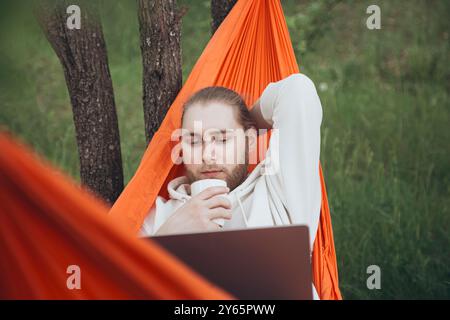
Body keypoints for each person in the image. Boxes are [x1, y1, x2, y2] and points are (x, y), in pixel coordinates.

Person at [140, 73, 323, 297]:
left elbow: (297, 91)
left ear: (250, 141)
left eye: (223, 139)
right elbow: (118, 287)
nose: (208, 155)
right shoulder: (158, 217)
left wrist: (246, 121)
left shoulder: (277, 190)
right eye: (194, 141)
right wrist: (166, 237)